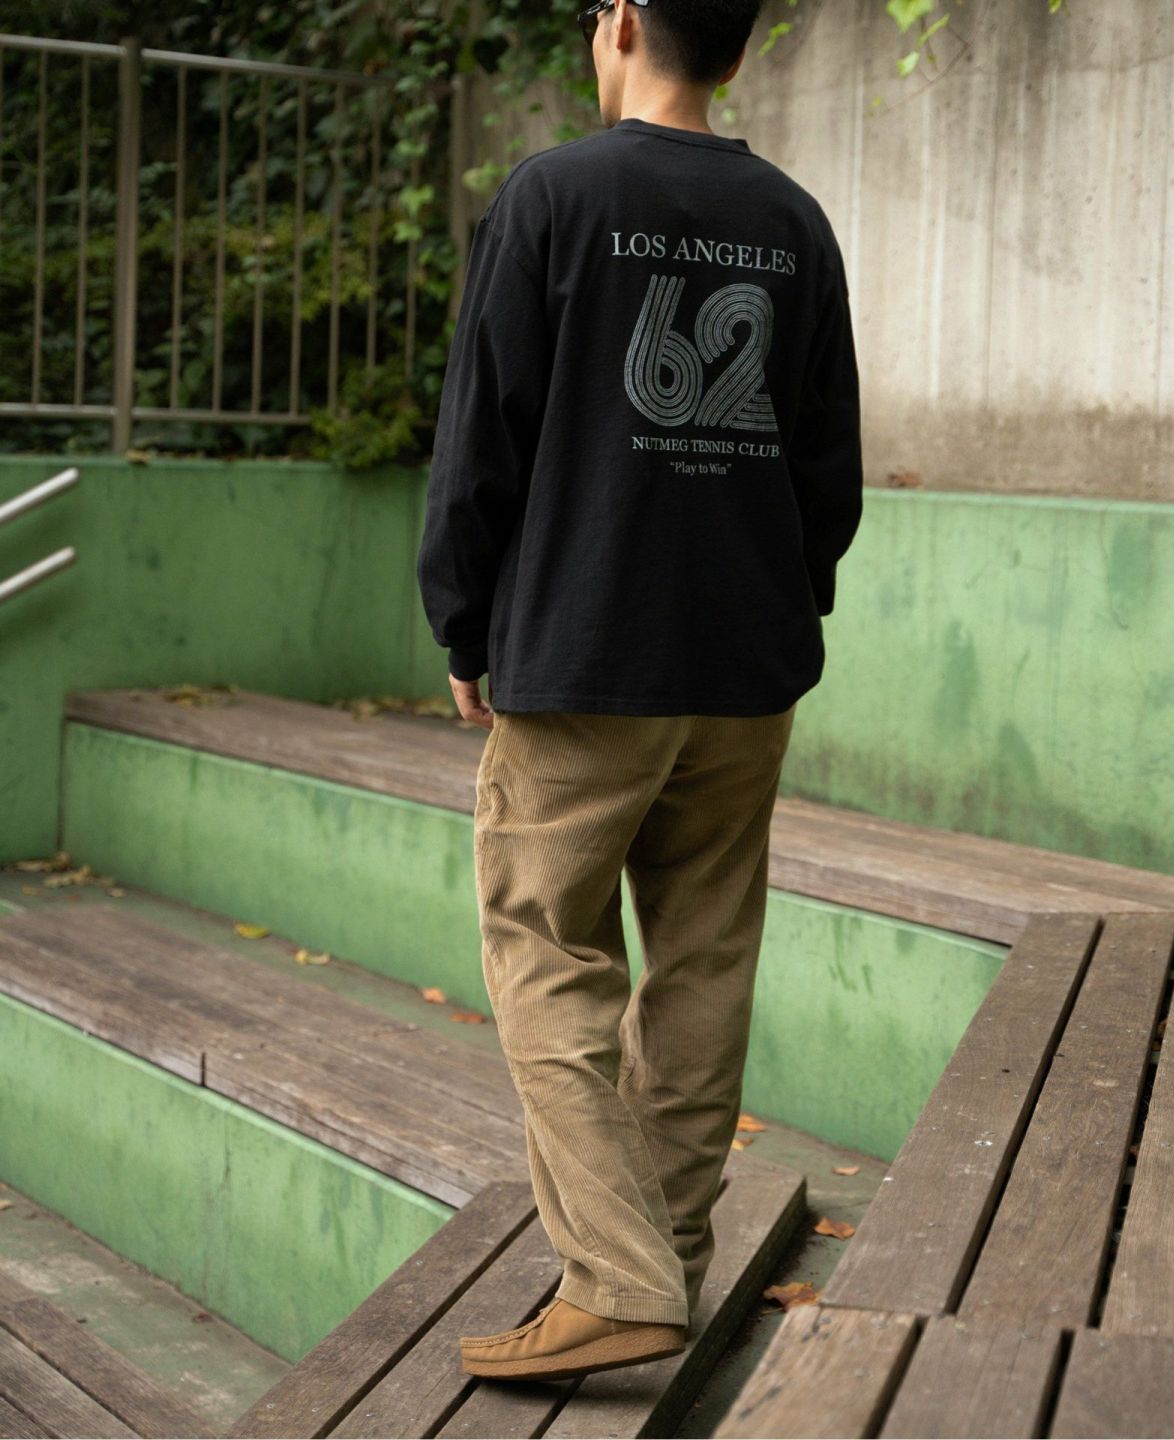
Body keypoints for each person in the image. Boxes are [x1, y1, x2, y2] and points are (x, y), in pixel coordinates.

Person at [417, 0, 863, 1384]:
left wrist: (464, 621)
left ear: (618, 21)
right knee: (705, 961)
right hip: (744, 666)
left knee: (546, 948)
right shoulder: (794, 222)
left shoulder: (553, 196)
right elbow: (827, 467)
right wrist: (785, 603)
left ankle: (618, 1282)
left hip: (587, 655)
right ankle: (662, 1267)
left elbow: (484, 433)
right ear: (738, 50)